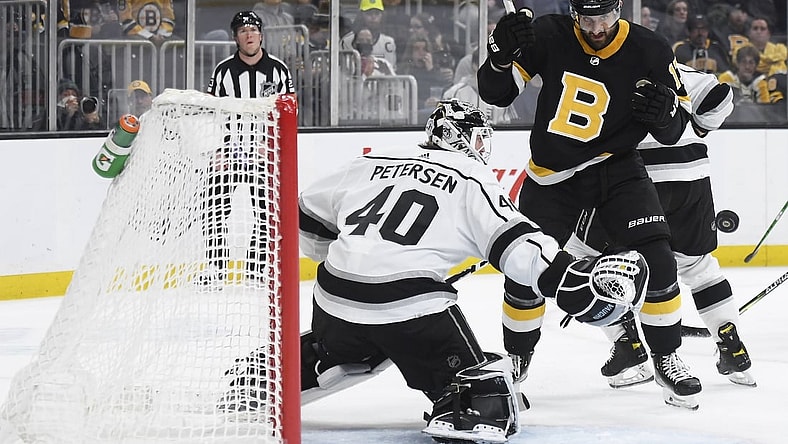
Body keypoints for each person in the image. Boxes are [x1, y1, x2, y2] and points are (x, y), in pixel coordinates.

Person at [217, 99, 648, 443]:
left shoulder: (372, 159)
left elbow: (306, 220)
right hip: (410, 313)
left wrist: (363, 253)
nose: (483, 149)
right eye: (480, 140)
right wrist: (574, 283)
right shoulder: (473, 178)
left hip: (332, 300)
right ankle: (465, 404)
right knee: (493, 397)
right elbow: (522, 253)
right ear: (467, 141)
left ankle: (304, 363)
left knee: (356, 337)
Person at [477, 0, 704, 409]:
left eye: (605, 16)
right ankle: (517, 356)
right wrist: (498, 58)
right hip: (552, 176)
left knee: (660, 260)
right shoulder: (547, 33)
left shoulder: (650, 49)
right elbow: (495, 94)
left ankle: (667, 356)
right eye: (587, 17)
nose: (597, 27)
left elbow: (675, 129)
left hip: (617, 168)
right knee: (525, 269)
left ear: (619, 9)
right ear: (573, 12)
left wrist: (666, 114)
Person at [564, 64, 756, 391]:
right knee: (699, 267)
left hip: (635, 182)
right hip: (691, 179)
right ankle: (732, 346)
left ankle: (628, 344)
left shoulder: (605, 72)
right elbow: (722, 96)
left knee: (580, 255)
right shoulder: (679, 70)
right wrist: (697, 128)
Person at [201, 11, 294, 286]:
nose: (249, 35)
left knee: (266, 212)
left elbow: (287, 114)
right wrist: (218, 150)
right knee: (215, 210)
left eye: (253, 30)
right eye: (243, 31)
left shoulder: (279, 70)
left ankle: (256, 269)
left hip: (263, 153)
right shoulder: (222, 72)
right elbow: (212, 113)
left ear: (262, 34)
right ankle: (217, 268)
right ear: (235, 37)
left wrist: (273, 146)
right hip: (228, 153)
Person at [339, 0, 397, 70]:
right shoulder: (346, 41)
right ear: (361, 15)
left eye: (377, 13)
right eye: (369, 13)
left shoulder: (388, 42)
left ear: (382, 15)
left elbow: (391, 70)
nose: (373, 17)